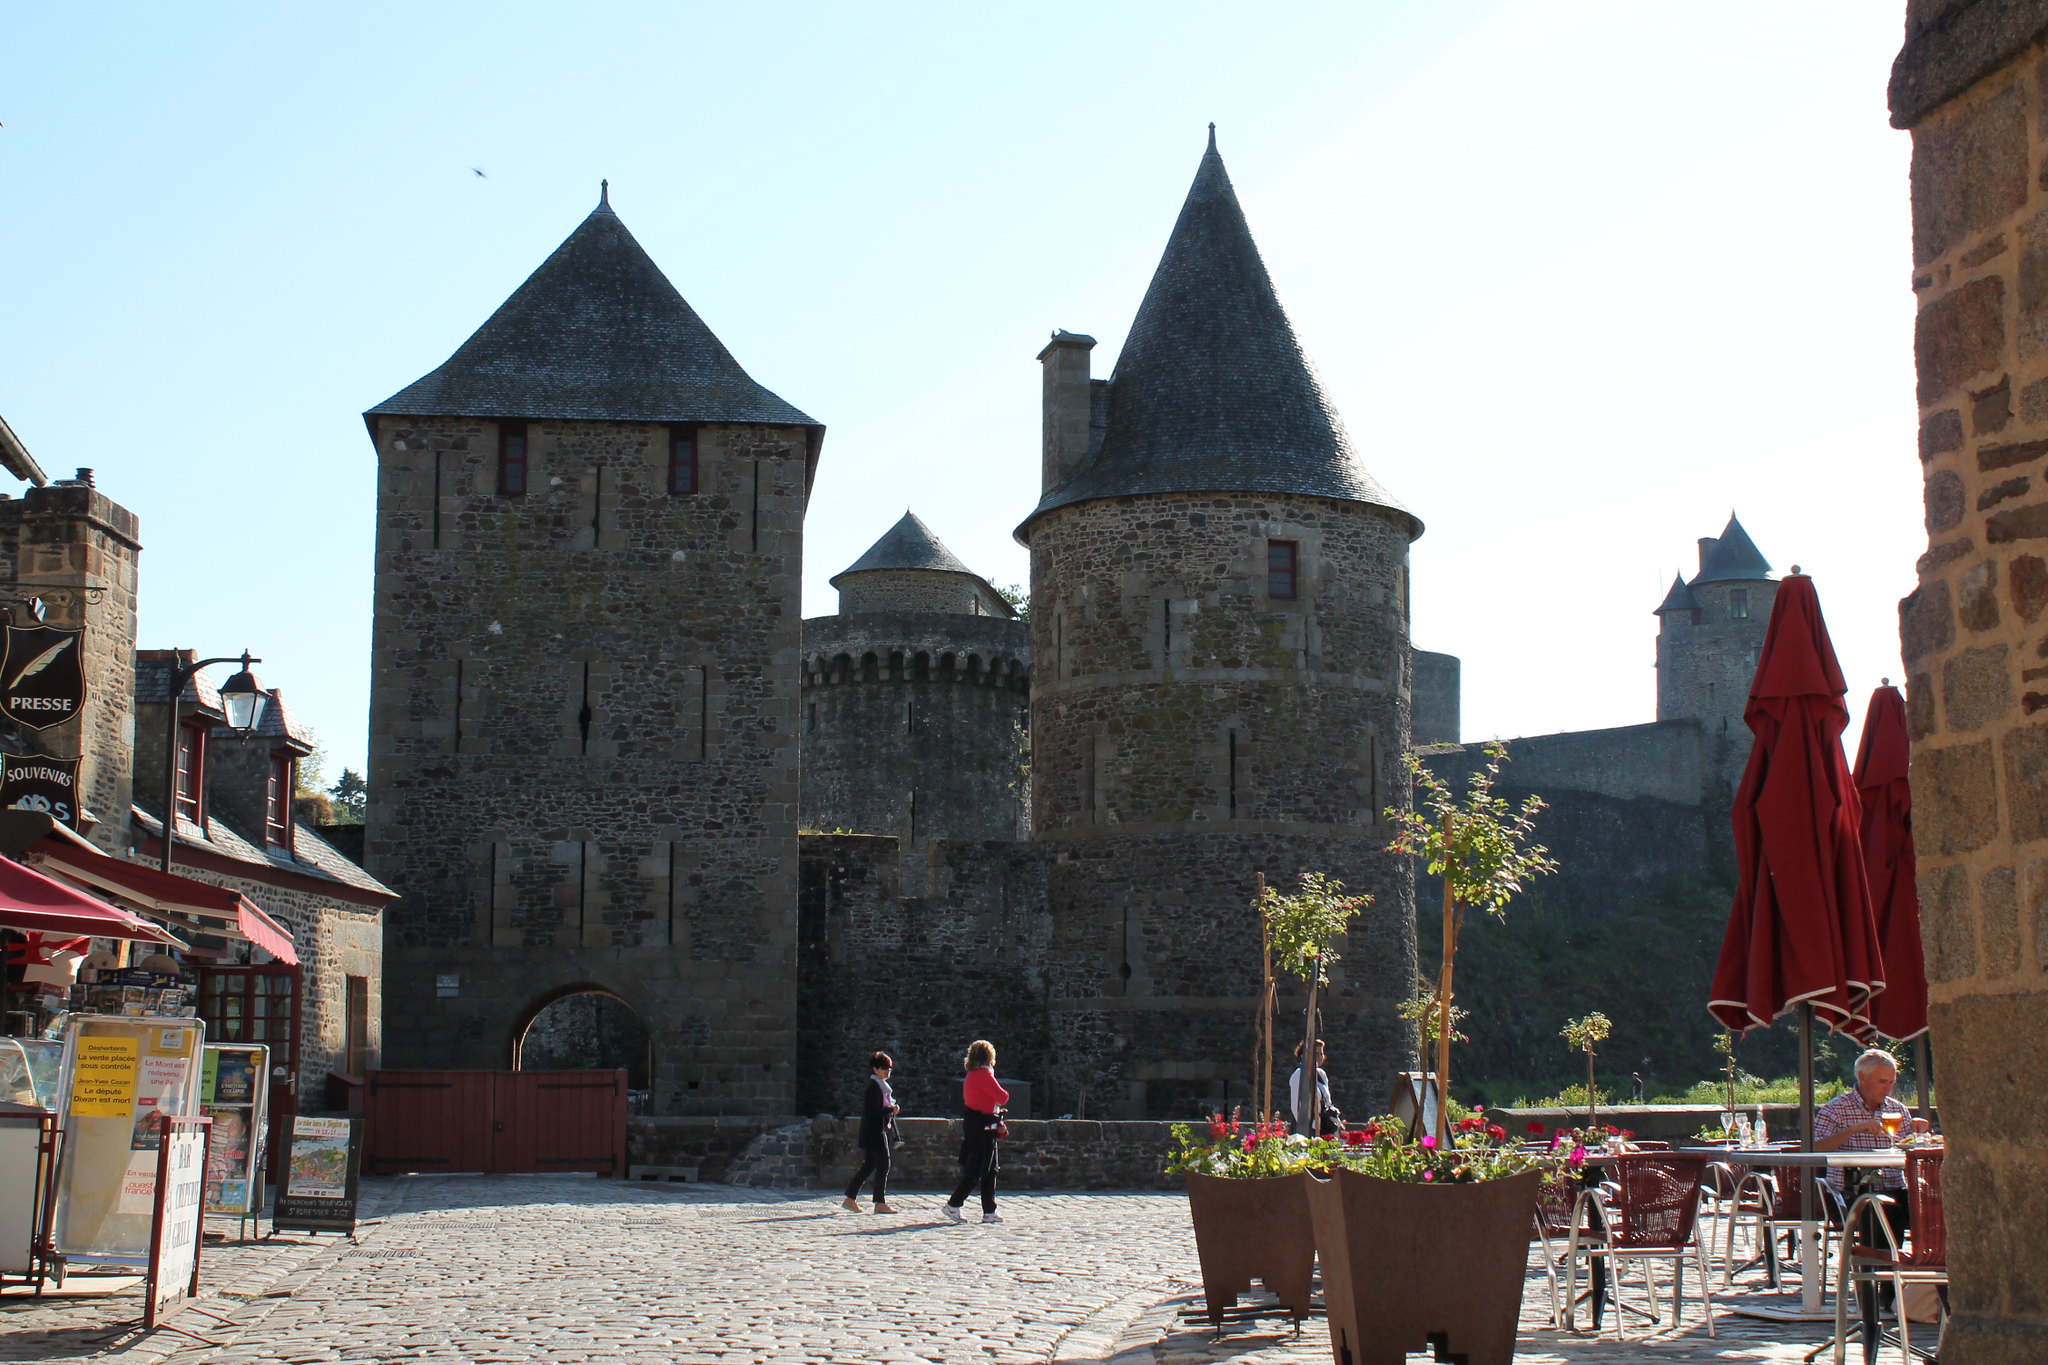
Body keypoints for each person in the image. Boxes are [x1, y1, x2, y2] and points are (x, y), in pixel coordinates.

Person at [1813, 1047, 1932, 1212]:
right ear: (1863, 1077)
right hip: (1850, 1193)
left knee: (1934, 1207)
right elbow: (1814, 1148)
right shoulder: (1835, 1109)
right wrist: (1852, 1130)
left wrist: (1918, 1131)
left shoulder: (1897, 1109)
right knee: (1884, 1211)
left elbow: (1910, 1146)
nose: (1888, 1088)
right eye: (1882, 1082)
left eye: (1891, 1083)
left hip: (1896, 1188)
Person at [942, 1039, 1007, 1224]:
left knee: (990, 1171)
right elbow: (1002, 1097)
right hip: (983, 1126)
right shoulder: (985, 1074)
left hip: (977, 1124)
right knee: (977, 1170)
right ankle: (953, 1204)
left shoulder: (971, 1074)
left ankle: (989, 1210)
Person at [840, 1051, 899, 1214]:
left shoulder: (879, 1086)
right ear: (875, 1069)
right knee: (883, 1165)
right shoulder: (875, 1087)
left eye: (889, 1068)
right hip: (875, 1132)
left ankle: (850, 1198)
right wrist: (890, 1110)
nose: (888, 1071)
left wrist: (889, 1110)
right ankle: (879, 1202)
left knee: (869, 1165)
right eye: (884, 1068)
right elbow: (874, 1111)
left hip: (873, 1131)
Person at [1289, 1039, 1341, 1136]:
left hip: (1323, 1126)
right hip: (1306, 1128)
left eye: (1321, 1053)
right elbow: (1296, 1107)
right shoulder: (1299, 1075)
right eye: (1316, 1053)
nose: (1319, 1057)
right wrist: (1309, 1127)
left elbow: (1327, 1101)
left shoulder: (1321, 1074)